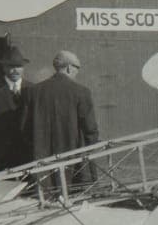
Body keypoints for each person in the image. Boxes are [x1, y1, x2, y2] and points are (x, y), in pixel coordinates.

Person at [20, 49, 99, 190]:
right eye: (77, 68)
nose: (77, 72)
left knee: (44, 200)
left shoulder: (33, 92)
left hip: (42, 163)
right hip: (73, 162)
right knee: (75, 198)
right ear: (69, 68)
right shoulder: (81, 92)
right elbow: (90, 129)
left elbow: (24, 128)